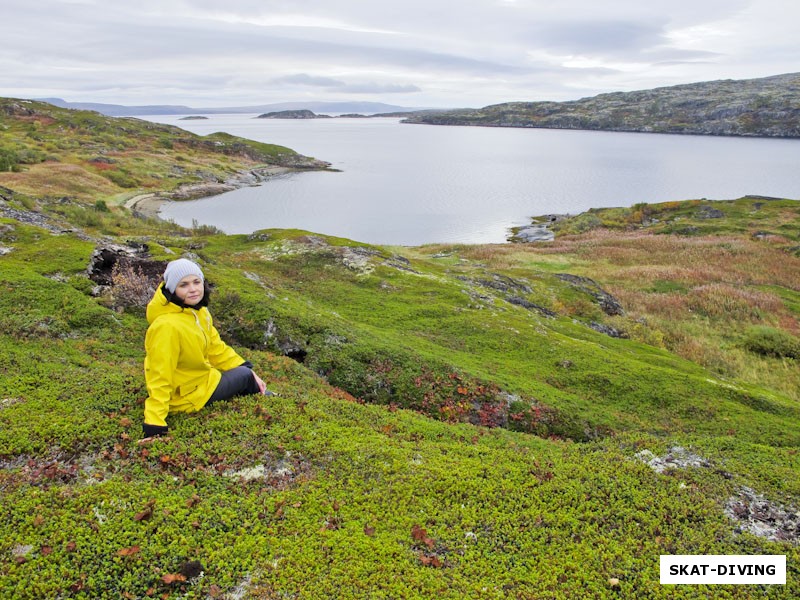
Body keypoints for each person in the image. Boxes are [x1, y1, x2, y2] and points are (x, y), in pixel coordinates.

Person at [141, 258, 270, 438]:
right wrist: (154, 426)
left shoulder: (199, 312)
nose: (193, 289)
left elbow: (216, 348)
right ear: (172, 290)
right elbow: (159, 375)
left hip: (200, 382)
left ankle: (260, 390)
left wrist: (245, 366)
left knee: (245, 373)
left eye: (196, 282)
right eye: (183, 285)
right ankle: (269, 398)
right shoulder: (166, 326)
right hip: (187, 397)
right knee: (244, 376)